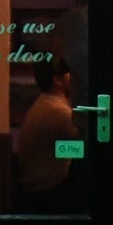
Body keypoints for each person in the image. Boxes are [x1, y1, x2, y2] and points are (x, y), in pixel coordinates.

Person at [12, 53, 82, 213]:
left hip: (35, 192)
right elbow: (84, 147)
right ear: (57, 80)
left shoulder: (45, 103)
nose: (74, 77)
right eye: (69, 73)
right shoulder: (59, 111)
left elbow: (62, 148)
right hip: (48, 194)